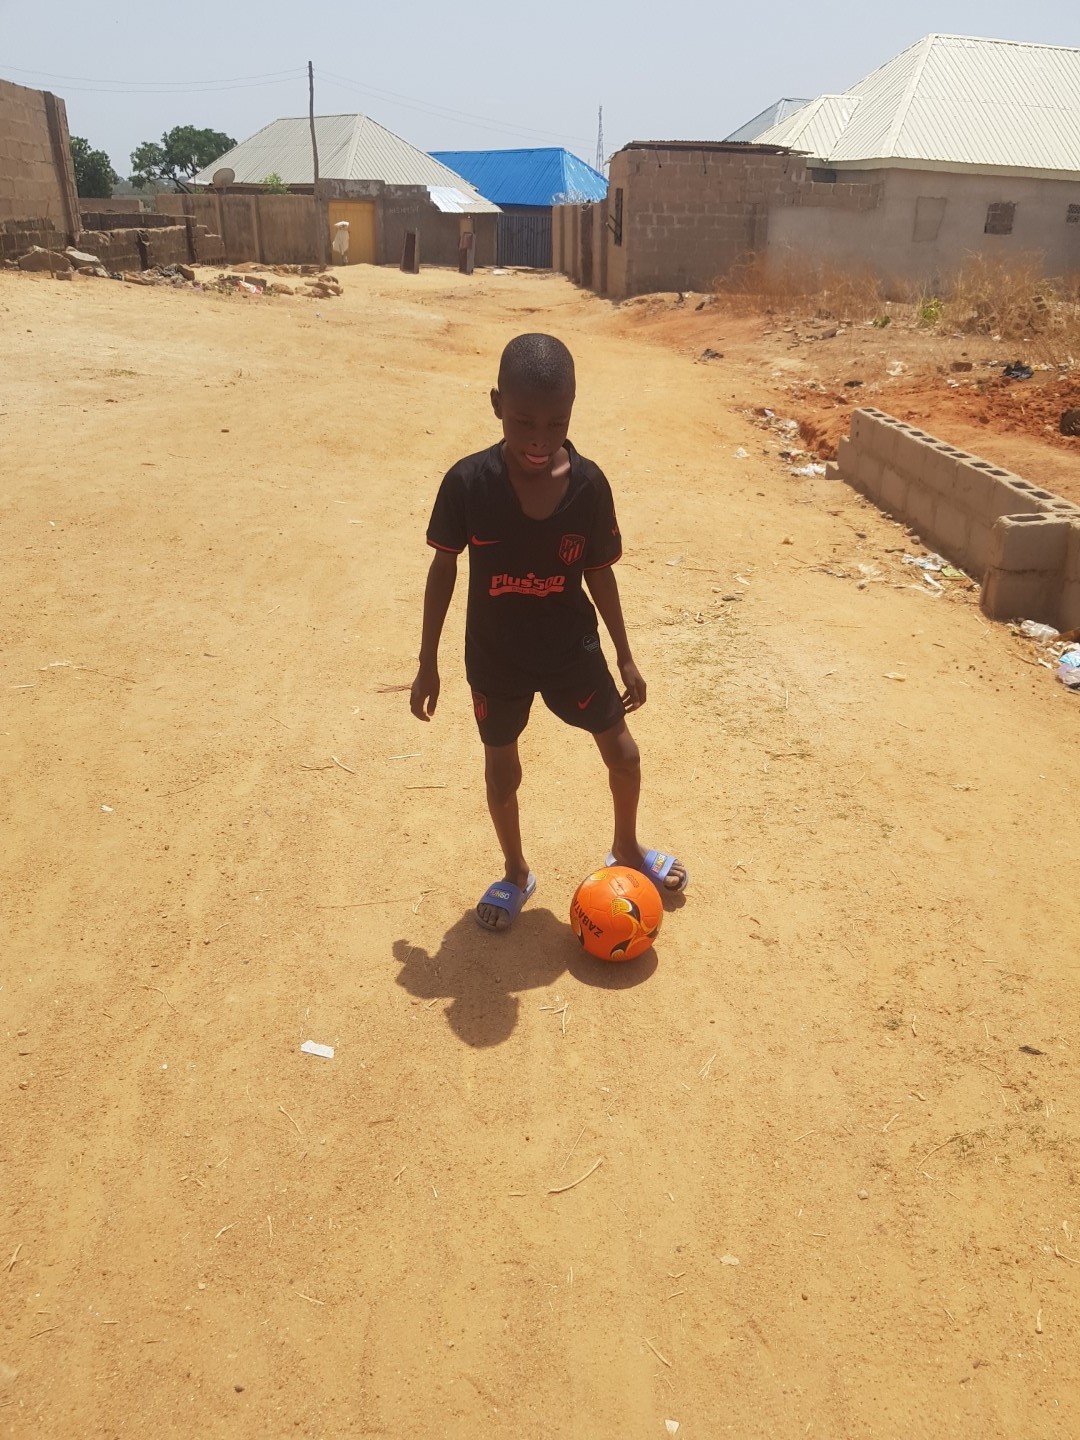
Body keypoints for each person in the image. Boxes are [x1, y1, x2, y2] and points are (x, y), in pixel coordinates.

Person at [410, 333, 688, 931]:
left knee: (624, 753)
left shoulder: (589, 485)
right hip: (496, 655)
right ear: (496, 405)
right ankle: (515, 871)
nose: (539, 439)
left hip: (570, 648)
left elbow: (599, 573)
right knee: (501, 771)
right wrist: (427, 662)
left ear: (572, 411)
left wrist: (626, 655)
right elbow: (443, 570)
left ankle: (627, 847)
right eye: (523, 422)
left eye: (556, 423)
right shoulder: (467, 483)